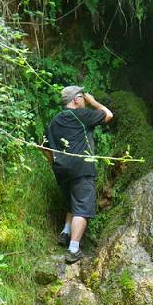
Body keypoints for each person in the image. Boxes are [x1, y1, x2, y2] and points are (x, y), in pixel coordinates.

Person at [42, 85, 113, 264]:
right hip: (81, 168)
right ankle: (73, 249)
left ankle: (65, 233)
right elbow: (108, 114)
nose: (84, 100)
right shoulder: (80, 115)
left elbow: (44, 148)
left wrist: (55, 165)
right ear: (76, 99)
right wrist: (93, 101)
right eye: (82, 97)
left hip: (62, 170)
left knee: (72, 203)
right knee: (82, 207)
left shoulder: (54, 121)